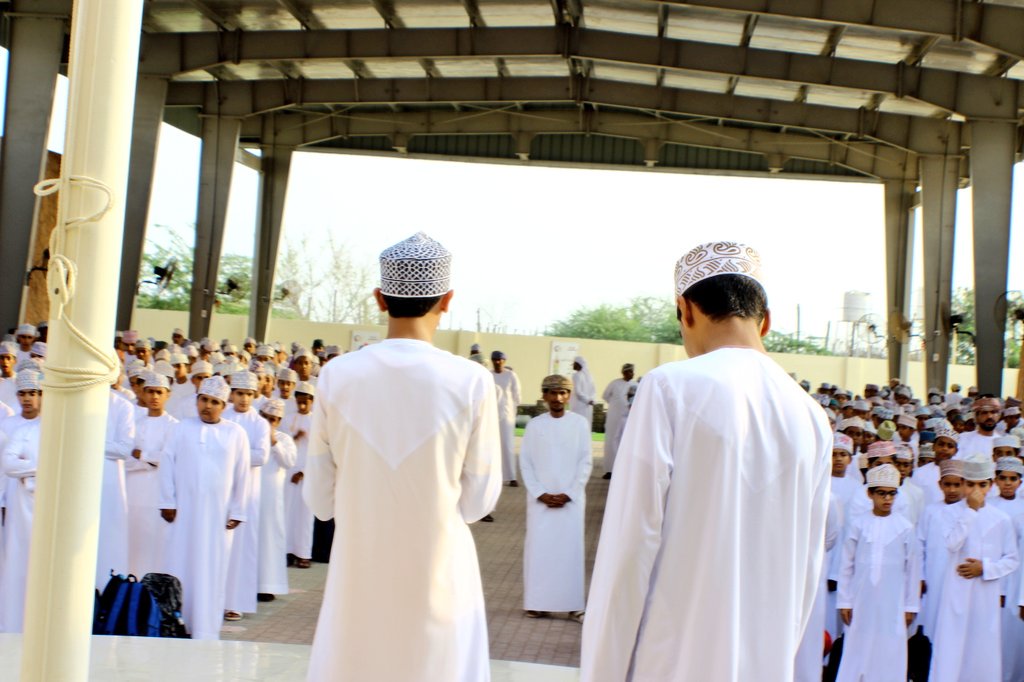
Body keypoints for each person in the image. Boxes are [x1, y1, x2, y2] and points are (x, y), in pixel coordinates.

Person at [580, 241, 831, 682]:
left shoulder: (670, 387)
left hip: (673, 657)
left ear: (686, 310)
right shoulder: (809, 413)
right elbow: (808, 566)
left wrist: (602, 669)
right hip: (764, 660)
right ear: (765, 319)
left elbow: (629, 545)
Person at [303, 232, 502, 682]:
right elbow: (478, 502)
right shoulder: (470, 380)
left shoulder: (337, 376)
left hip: (359, 569)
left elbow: (318, 498)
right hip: (439, 571)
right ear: (447, 300)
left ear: (379, 298)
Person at [159, 376, 248, 640]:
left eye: (214, 402)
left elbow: (243, 474)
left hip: (218, 516)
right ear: (197, 400)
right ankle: (177, 622)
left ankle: (206, 628)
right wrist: (167, 501)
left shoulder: (235, 433)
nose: (207, 406)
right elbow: (167, 463)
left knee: (212, 567)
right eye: (203, 400)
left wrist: (238, 510)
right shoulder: (181, 428)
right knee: (180, 563)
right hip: (183, 512)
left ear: (224, 404)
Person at [930, 456, 1019, 682]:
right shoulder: (949, 513)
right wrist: (970, 512)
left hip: (985, 593)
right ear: (963, 484)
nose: (976, 490)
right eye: (970, 484)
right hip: (956, 591)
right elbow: (952, 544)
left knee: (982, 646)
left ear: (990, 485)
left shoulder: (1001, 519)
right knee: (951, 644)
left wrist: (985, 568)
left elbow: (1012, 559)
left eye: (982, 484)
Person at [835, 463, 920, 682]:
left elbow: (913, 570)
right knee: (858, 643)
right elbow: (846, 565)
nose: (887, 499)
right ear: (869, 494)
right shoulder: (859, 524)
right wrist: (844, 601)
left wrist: (911, 606)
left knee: (890, 644)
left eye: (892, 493)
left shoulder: (905, 527)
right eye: (881, 493)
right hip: (861, 598)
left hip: (894, 600)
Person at [519, 374, 592, 622]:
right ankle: (536, 603)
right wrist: (540, 493)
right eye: (552, 392)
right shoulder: (535, 425)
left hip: (571, 501)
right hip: (541, 502)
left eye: (562, 392)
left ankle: (574, 605)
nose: (557, 398)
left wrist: (570, 493)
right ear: (544, 396)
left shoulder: (580, 424)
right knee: (540, 551)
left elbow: (585, 462)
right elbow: (526, 463)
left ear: (569, 396)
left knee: (570, 552)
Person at [222, 370, 270, 621]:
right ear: (232, 394)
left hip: (247, 494)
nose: (243, 399)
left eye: (249, 394)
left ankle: (235, 602)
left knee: (242, 547)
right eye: (239, 394)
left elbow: (261, 456)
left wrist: (232, 456)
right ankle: (216, 598)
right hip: (221, 492)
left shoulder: (259, 423)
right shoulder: (224, 417)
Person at [0, 371, 43, 632]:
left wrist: (28, 469)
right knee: (14, 562)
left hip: (44, 507)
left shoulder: (53, 428)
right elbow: (7, 464)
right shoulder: (11, 426)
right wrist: (40, 467)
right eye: (23, 394)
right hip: (15, 504)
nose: (27, 399)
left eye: (33, 393)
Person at [125, 372, 178, 577]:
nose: (154, 396)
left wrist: (143, 455)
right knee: (133, 539)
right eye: (150, 392)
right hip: (133, 490)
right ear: (143, 393)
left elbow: (169, 458)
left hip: (159, 491)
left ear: (167, 395)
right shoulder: (134, 424)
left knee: (156, 540)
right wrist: (150, 461)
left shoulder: (174, 425)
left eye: (159, 392)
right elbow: (126, 459)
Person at [257, 399, 296, 602]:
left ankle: (267, 584)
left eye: (273, 420)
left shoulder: (284, 439)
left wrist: (273, 442)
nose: (269, 422)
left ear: (279, 421)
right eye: (265, 418)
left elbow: (289, 461)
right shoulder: (249, 435)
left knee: (269, 539)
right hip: (250, 497)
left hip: (271, 500)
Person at [285, 382, 315, 568]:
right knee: (288, 512)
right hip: (289, 470)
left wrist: (305, 472)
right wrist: (295, 437)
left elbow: (321, 450)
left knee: (305, 516)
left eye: (306, 402)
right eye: (299, 402)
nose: (302, 406)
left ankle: (304, 553)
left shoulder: (318, 420)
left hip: (308, 471)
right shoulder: (287, 419)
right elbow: (282, 442)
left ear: (312, 401)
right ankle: (288, 551)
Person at [600, 363, 635, 479]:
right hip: (614, 417)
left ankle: (624, 471)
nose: (632, 373)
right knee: (611, 441)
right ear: (624, 372)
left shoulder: (635, 385)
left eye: (632, 371)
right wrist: (615, 404)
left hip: (628, 418)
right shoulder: (614, 383)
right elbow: (605, 396)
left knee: (626, 442)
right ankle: (609, 470)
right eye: (630, 371)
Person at [491, 350, 521, 486]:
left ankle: (511, 476)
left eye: (500, 360)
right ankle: (492, 476)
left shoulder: (511, 375)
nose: (497, 362)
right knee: (491, 445)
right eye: (495, 359)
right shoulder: (488, 375)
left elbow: (517, 396)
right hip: (491, 415)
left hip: (507, 417)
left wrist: (511, 410)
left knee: (507, 445)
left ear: (504, 361)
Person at [568, 356, 596, 428]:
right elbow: (593, 391)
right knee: (585, 426)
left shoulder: (577, 375)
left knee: (576, 426)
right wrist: (591, 400)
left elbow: (578, 392)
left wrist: (588, 400)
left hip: (578, 406)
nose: (573, 365)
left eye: (574, 363)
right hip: (588, 407)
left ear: (578, 364)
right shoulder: (590, 376)